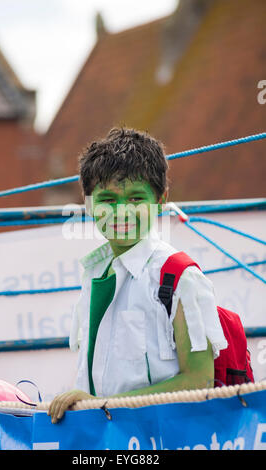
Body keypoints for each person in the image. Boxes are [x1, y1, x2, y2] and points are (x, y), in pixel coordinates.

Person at [48, 127, 227, 424]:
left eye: (135, 199)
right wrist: (87, 403)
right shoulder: (94, 273)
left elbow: (199, 381)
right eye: (107, 200)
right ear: (89, 204)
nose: (121, 212)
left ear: (160, 200)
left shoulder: (180, 276)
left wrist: (103, 405)